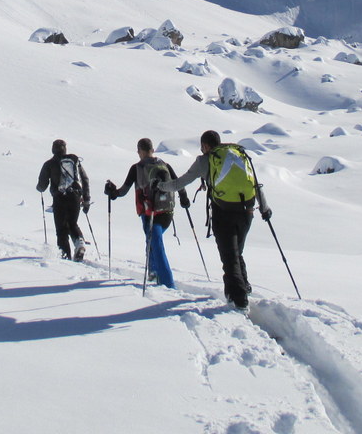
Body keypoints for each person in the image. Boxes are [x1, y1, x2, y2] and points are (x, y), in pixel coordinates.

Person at [158, 130, 270, 311]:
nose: (201, 150)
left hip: (223, 212)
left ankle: (239, 300)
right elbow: (255, 183)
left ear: (206, 146)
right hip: (246, 210)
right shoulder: (239, 155)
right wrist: (264, 208)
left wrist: (160, 186)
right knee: (237, 251)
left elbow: (180, 182)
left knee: (229, 257)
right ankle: (244, 286)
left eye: (202, 146)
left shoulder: (204, 161)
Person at [104, 138, 189, 288]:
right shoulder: (165, 165)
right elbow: (178, 184)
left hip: (149, 211)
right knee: (153, 241)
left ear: (140, 151)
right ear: (152, 150)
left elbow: (123, 191)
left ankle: (167, 282)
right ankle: (153, 271)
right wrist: (184, 199)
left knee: (155, 242)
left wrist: (113, 193)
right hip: (167, 211)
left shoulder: (136, 168)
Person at [36, 139, 91, 261]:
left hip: (59, 198)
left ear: (53, 150)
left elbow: (42, 185)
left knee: (61, 229)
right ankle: (80, 243)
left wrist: (39, 188)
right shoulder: (74, 162)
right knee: (72, 224)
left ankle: (65, 257)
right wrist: (86, 199)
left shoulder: (49, 164)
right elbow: (85, 179)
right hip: (75, 197)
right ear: (65, 149)